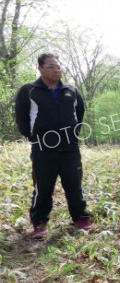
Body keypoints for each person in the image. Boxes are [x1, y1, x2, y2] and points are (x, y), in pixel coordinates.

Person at [15, 52, 92, 240]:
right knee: (43, 186)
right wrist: (35, 137)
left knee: (74, 183)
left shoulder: (71, 90)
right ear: (40, 68)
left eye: (58, 66)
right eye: (51, 66)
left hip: (69, 147)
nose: (56, 70)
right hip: (43, 148)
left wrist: (72, 133)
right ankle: (39, 223)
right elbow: (21, 119)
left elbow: (79, 113)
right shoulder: (29, 91)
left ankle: (80, 218)